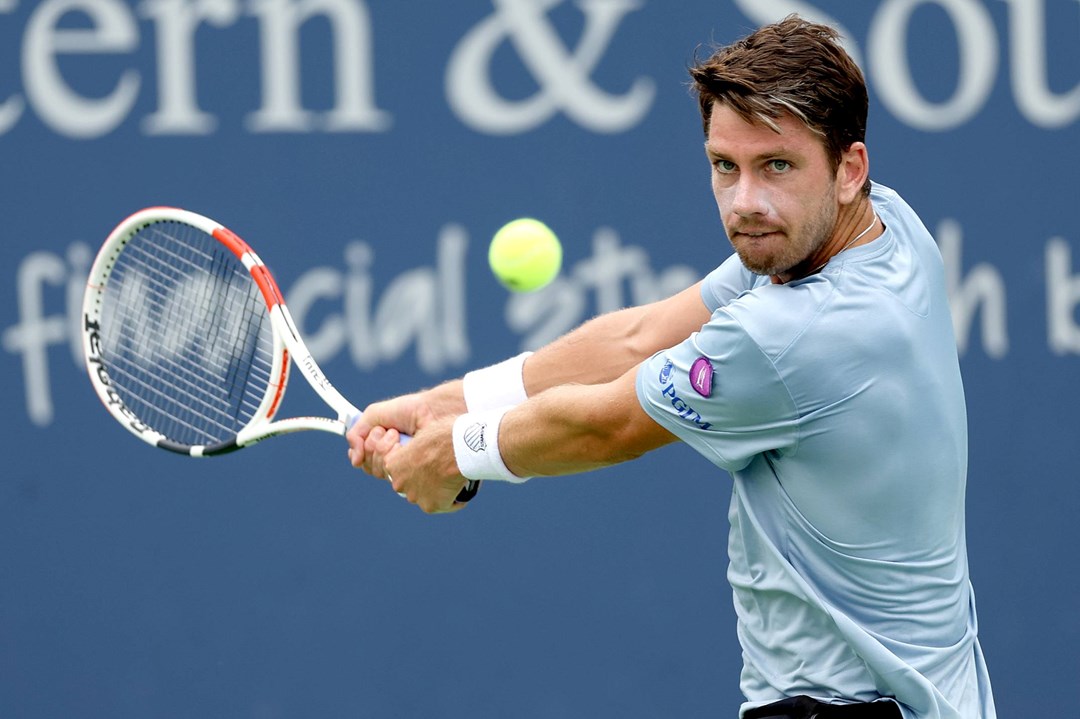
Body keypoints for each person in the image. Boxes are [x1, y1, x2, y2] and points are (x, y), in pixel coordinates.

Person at [347, 15, 996, 719]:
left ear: (848, 168)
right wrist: (448, 402)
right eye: (726, 166)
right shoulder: (885, 225)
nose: (745, 200)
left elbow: (608, 425)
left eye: (776, 165)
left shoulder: (793, 334)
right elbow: (640, 336)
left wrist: (459, 454)